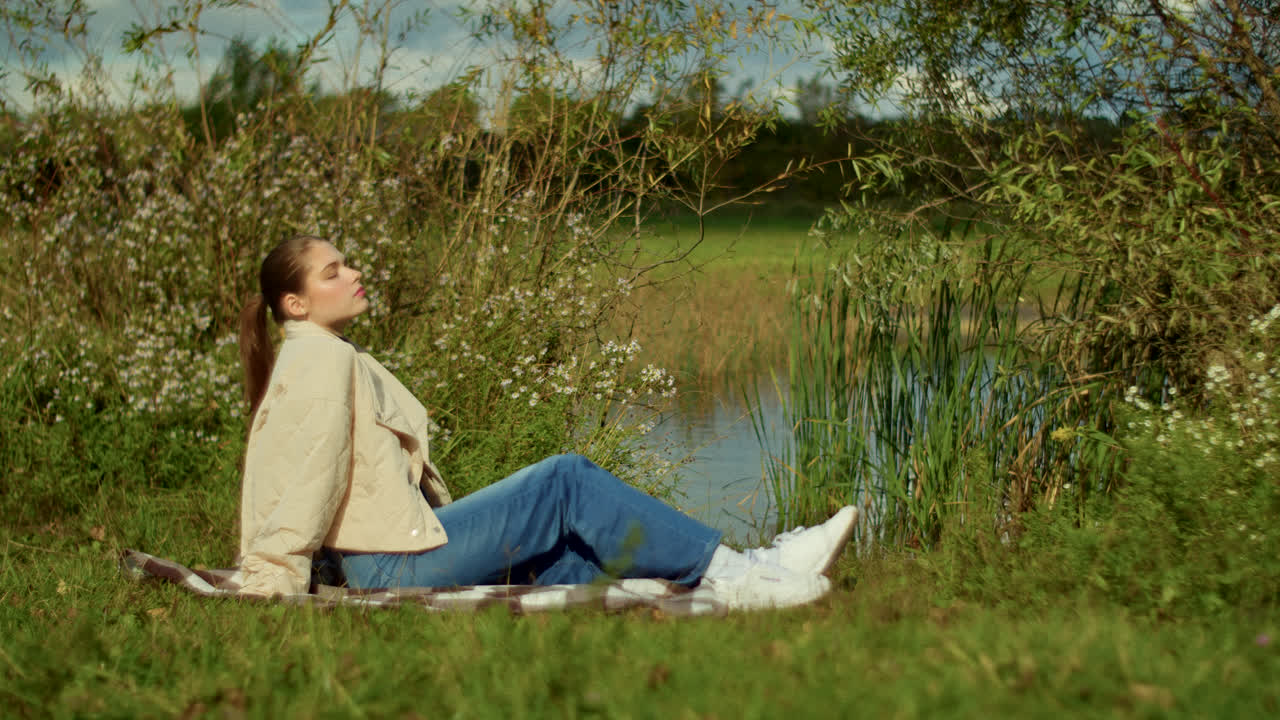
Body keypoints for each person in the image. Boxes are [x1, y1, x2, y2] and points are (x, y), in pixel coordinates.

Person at [234, 235, 858, 610]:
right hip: (390, 567)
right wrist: (273, 571)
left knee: (565, 550)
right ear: (296, 303)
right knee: (565, 481)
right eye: (333, 272)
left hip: (390, 557)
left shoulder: (317, 356)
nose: (354, 274)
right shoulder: (319, 359)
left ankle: (752, 577)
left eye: (347, 264)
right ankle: (738, 571)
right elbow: (308, 472)